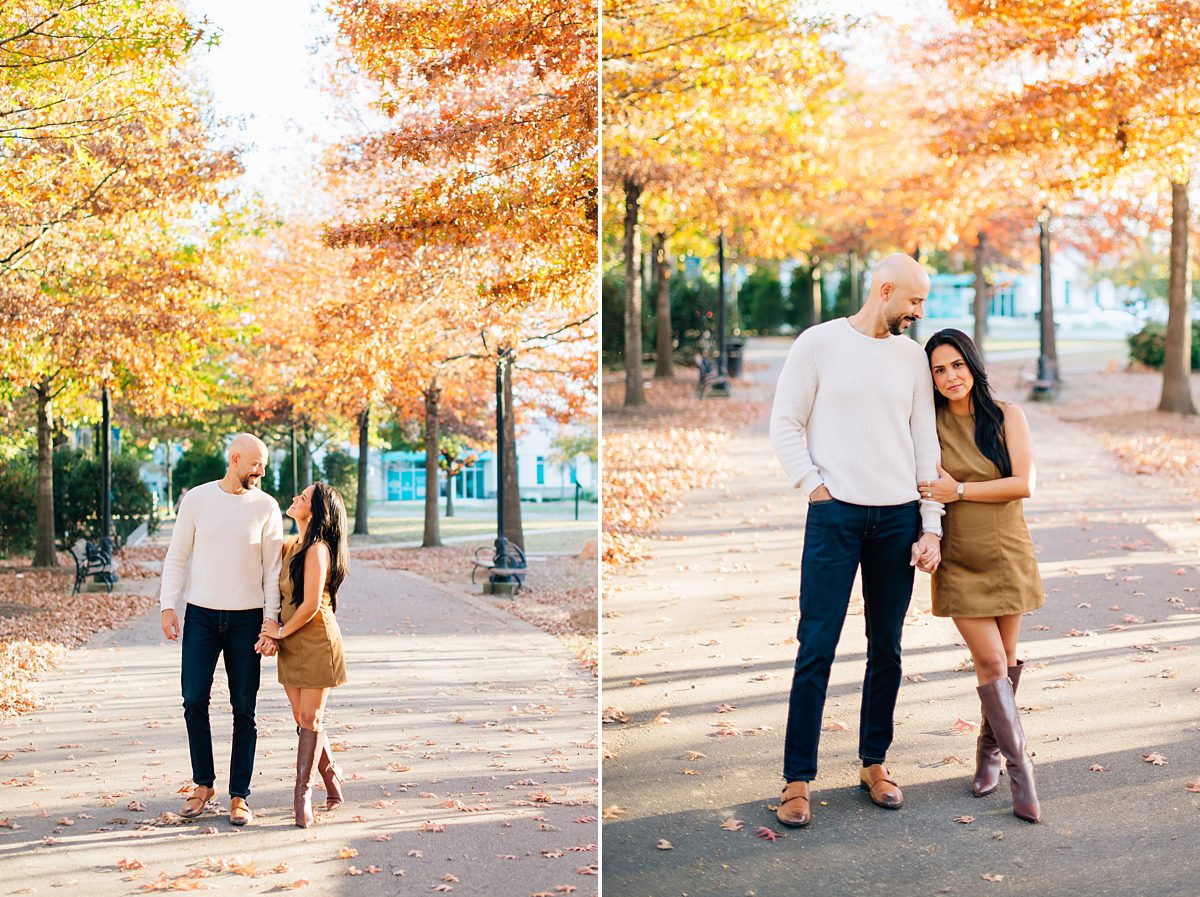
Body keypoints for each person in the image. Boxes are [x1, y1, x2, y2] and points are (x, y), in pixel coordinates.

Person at [768, 253, 944, 828]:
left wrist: (931, 524)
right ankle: (797, 779)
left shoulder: (913, 359)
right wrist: (814, 489)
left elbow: (926, 445)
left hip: (896, 519)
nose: (920, 313)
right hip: (834, 515)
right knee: (815, 645)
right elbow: (785, 423)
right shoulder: (817, 344)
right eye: (914, 302)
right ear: (886, 291)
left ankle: (875, 762)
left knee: (886, 648)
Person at [919, 328, 1044, 823]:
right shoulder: (925, 425)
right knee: (991, 662)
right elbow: (925, 487)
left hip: (1007, 550)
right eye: (939, 370)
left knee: (1005, 662)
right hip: (960, 559)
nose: (950, 377)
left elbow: (1024, 483)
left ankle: (988, 753)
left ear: (972, 364)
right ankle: (1022, 772)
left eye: (957, 365)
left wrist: (962, 491)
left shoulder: (1007, 415)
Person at [159, 433, 284, 826]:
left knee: (244, 708)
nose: (261, 471)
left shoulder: (267, 506)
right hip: (201, 616)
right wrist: (168, 604)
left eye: (262, 464)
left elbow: (272, 571)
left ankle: (239, 795)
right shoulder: (196, 499)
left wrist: (270, 622)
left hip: (246, 619)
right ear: (235, 459)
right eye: (255, 464)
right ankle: (203, 784)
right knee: (194, 699)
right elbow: (177, 554)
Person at [259, 482, 349, 828]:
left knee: (309, 720)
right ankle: (333, 776)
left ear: (316, 510)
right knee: (302, 717)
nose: (296, 498)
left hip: (315, 640)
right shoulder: (290, 546)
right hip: (291, 640)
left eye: (304, 497)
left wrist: (279, 632)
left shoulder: (317, 549)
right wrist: (271, 632)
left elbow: (311, 604)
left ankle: (302, 796)